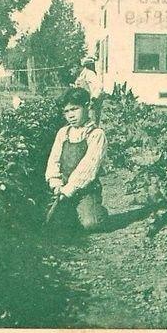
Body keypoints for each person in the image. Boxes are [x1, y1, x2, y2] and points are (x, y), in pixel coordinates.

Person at [45, 87, 109, 232]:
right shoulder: (63, 133)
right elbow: (53, 160)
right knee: (54, 222)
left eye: (74, 109)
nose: (70, 116)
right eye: (66, 112)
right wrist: (56, 184)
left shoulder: (96, 134)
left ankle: (98, 211)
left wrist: (69, 189)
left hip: (85, 189)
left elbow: (88, 167)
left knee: (91, 223)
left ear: (87, 107)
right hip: (62, 187)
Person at [73, 56, 103, 125]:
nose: (71, 71)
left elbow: (99, 86)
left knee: (91, 123)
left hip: (90, 104)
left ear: (76, 66)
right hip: (82, 104)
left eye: (72, 68)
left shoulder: (89, 74)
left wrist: (93, 98)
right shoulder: (80, 76)